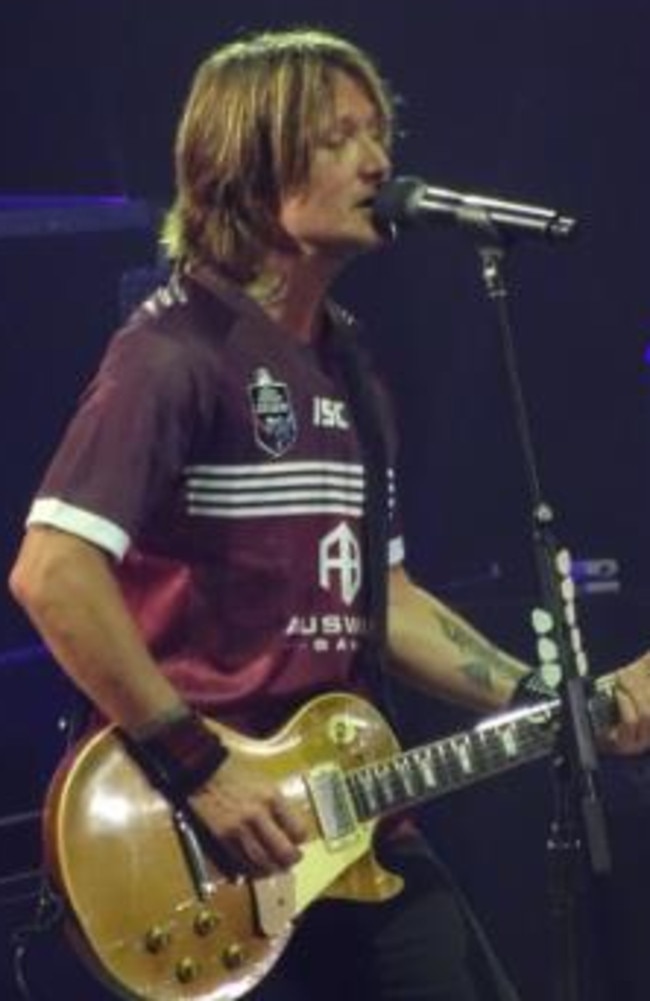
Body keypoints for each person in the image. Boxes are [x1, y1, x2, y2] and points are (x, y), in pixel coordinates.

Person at [8, 26, 650, 1001]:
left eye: (379, 133)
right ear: (253, 162)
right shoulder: (173, 351)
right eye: (340, 136)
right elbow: (52, 571)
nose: (380, 160)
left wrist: (559, 706)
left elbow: (380, 602)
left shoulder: (350, 372)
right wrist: (200, 764)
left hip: (355, 825)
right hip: (196, 829)